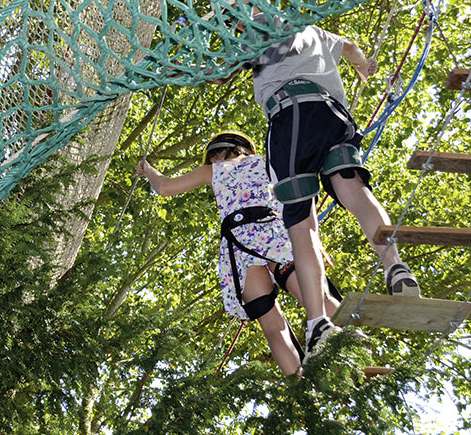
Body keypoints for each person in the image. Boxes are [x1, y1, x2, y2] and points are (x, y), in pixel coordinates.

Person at [211, 0, 420, 361]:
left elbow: (220, 73)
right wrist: (365, 67)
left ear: (243, 1)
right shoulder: (311, 29)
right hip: (335, 116)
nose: (232, 23)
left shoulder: (255, 27)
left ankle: (316, 323)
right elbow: (353, 49)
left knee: (300, 223)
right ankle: (396, 266)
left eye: (229, 15)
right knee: (355, 192)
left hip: (292, 118)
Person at [137, 131, 341, 376]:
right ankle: (353, 343)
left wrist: (147, 169)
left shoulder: (213, 171)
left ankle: (299, 386)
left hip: (239, 248)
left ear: (213, 158)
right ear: (245, 148)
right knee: (314, 297)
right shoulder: (268, 161)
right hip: (274, 235)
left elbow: (165, 187)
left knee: (273, 327)